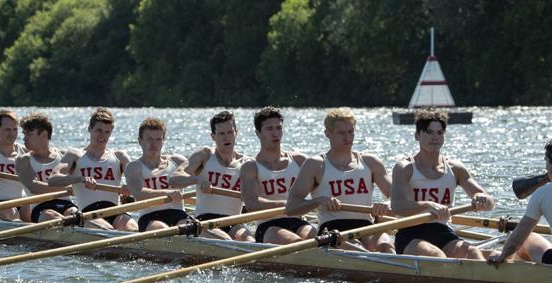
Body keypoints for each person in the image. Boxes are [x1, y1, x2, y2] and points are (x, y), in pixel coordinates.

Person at [286, 108, 394, 252]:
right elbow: (291, 207)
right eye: (341, 133)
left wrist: (385, 204)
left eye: (351, 132)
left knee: (387, 248)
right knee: (359, 250)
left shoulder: (370, 162)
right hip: (332, 230)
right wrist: (318, 201)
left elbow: (398, 197)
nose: (347, 137)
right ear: (327, 134)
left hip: (366, 227)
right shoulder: (315, 165)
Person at [390, 108, 494, 259]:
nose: (435, 137)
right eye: (429, 132)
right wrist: (428, 205)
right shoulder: (405, 167)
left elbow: (490, 204)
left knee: (472, 252)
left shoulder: (455, 168)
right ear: (417, 135)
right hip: (410, 233)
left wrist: (481, 198)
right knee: (437, 256)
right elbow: (397, 207)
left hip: (441, 230)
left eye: (439, 133)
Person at [48, 107, 137, 231]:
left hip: (114, 211)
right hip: (88, 213)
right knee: (108, 231)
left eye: (107, 132)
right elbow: (52, 179)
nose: (102, 136)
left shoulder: (119, 156)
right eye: (98, 130)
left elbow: (137, 178)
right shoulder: (74, 155)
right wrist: (80, 179)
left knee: (133, 230)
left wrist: (130, 185)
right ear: (89, 129)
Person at [169, 111, 254, 241]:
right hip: (205, 220)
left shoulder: (247, 163)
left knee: (251, 243)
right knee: (226, 241)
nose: (226, 138)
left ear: (236, 132)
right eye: (221, 134)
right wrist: (197, 179)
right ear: (213, 136)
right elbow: (174, 179)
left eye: (230, 132)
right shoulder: (205, 155)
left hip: (234, 222)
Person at [240, 106, 317, 244]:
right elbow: (252, 204)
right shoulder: (250, 166)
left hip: (298, 221)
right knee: (299, 243)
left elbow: (324, 185)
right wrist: (287, 204)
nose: (275, 133)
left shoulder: (300, 160)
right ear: (258, 133)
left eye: (278, 128)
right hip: (269, 226)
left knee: (319, 241)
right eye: (269, 129)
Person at [487, 137, 552, 266]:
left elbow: (519, 237)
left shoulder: (542, 193)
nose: (546, 167)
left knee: (527, 239)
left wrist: (502, 256)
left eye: (546, 161)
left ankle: (523, 281)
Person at [124, 118, 189, 232]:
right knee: (164, 230)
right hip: (150, 217)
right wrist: (167, 192)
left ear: (163, 141)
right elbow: (139, 194)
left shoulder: (178, 162)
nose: (154, 144)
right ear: (140, 141)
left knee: (190, 228)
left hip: (179, 214)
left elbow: (197, 177)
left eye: (158, 139)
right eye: (149, 139)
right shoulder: (133, 167)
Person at [15, 113, 78, 223]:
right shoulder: (22, 160)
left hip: (66, 204)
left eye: (29, 134)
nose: (24, 138)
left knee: (75, 213)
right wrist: (65, 188)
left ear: (44, 134)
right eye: (24, 134)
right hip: (40, 207)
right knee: (51, 215)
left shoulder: (64, 155)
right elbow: (34, 187)